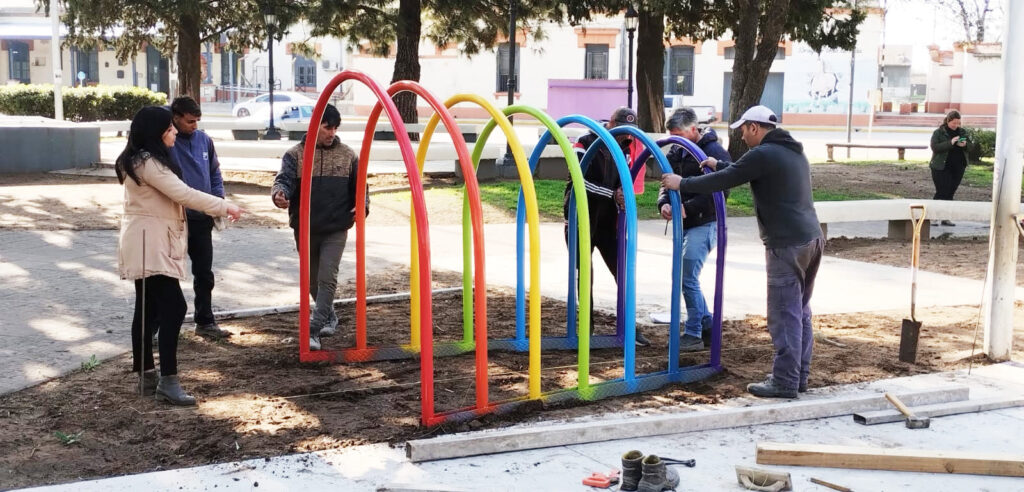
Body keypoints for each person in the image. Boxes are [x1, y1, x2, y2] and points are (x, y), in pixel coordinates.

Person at [661, 105, 823, 398]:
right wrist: (716, 164)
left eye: (743, 130)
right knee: (800, 311)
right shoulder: (791, 150)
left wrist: (681, 183)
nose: (741, 136)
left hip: (786, 243)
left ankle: (785, 381)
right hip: (811, 238)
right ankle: (798, 376)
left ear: (754, 128)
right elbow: (738, 172)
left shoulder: (764, 153)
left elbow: (725, 181)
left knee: (784, 313)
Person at [116, 106, 244, 405]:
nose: (174, 132)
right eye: (169, 129)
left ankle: (147, 375)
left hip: (146, 241)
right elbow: (185, 194)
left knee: (147, 309)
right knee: (174, 308)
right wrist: (226, 206)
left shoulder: (139, 160)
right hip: (151, 243)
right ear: (156, 133)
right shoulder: (148, 163)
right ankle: (168, 381)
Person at [271, 104, 367, 351]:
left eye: (335, 128)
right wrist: (279, 194)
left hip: (336, 226)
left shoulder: (348, 155)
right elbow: (283, 180)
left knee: (327, 277)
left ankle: (313, 330)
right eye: (327, 127)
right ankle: (330, 316)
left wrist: (363, 204)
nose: (332, 132)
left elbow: (361, 187)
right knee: (312, 281)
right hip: (305, 227)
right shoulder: (295, 155)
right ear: (315, 126)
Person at [564, 106, 650, 346]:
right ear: (611, 122)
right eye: (623, 130)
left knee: (623, 271)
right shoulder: (586, 141)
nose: (627, 136)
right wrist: (612, 194)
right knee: (585, 275)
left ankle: (629, 327)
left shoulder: (625, 149)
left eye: (631, 132)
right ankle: (586, 329)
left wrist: (622, 194)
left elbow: (625, 182)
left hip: (608, 222)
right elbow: (579, 181)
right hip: (582, 217)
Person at [657, 107, 732, 352]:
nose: (674, 141)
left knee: (687, 277)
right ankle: (708, 325)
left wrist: (688, 207)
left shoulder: (713, 152)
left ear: (692, 129)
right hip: (685, 223)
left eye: (678, 134)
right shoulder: (678, 150)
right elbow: (665, 182)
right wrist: (665, 203)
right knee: (685, 277)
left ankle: (693, 333)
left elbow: (721, 191)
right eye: (672, 136)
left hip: (705, 222)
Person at [168, 96, 231, 339]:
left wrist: (218, 201)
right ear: (175, 118)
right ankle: (158, 327)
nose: (194, 125)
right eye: (189, 121)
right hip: (176, 219)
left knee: (204, 273)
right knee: (168, 273)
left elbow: (214, 172)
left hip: (202, 218)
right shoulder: (168, 142)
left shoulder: (204, 140)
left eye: (197, 121)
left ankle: (205, 320)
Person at [929, 110, 969, 226]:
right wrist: (950, 142)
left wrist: (965, 145)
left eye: (958, 123)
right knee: (942, 191)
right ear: (948, 121)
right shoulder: (939, 132)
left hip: (958, 167)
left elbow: (971, 147)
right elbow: (935, 147)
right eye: (954, 123)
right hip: (941, 167)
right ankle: (934, 216)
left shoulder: (962, 132)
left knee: (950, 192)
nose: (956, 126)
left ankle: (946, 217)